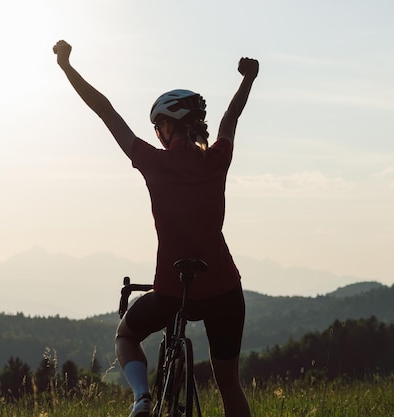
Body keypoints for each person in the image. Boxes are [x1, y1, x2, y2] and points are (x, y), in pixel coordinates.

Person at [53, 39, 258, 417]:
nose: (157, 134)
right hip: (225, 289)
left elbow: (106, 111)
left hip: (171, 289)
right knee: (229, 384)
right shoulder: (217, 160)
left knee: (126, 335)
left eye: (158, 126)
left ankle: (142, 399)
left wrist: (67, 67)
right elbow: (230, 119)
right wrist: (248, 80)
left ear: (168, 126)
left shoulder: (154, 162)